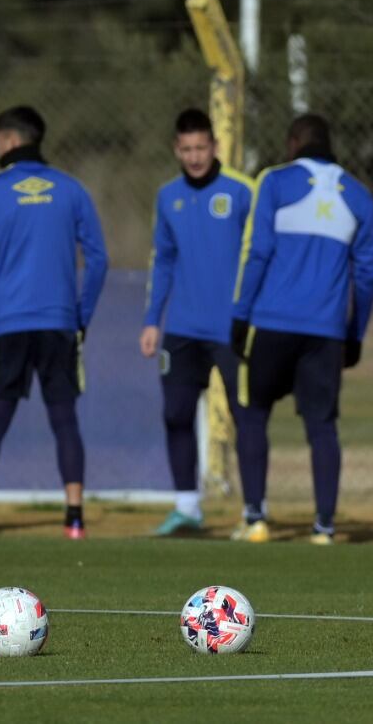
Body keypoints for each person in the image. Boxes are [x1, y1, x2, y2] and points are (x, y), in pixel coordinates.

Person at [0, 106, 109, 539]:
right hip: (59, 323)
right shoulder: (72, 189)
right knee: (64, 419)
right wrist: (82, 315)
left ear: (7, 141)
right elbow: (98, 260)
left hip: (5, 324)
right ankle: (75, 517)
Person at [230, 113, 373, 545]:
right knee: (322, 426)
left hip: (272, 323)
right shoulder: (360, 196)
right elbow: (367, 275)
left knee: (254, 413)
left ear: (293, 142)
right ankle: (324, 528)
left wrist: (240, 315)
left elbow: (256, 252)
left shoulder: (274, 181)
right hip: (327, 331)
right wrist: (355, 332)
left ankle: (256, 518)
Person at [141, 109, 255, 536]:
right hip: (183, 329)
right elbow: (163, 259)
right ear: (176, 149)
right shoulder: (168, 196)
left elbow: (258, 256)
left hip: (232, 329)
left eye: (201, 148)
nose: (194, 156)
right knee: (176, 413)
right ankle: (187, 508)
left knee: (247, 417)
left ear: (216, 147)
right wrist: (153, 320)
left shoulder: (243, 192)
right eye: (186, 149)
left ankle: (253, 509)